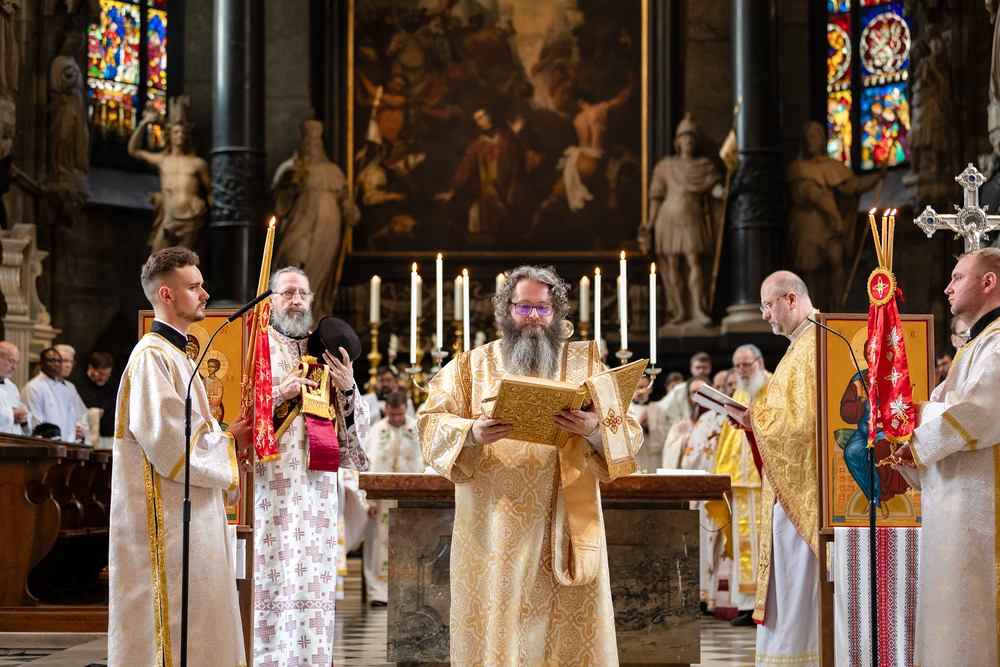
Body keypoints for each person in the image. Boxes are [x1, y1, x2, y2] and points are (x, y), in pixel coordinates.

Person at [419, 264, 641, 666]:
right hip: (495, 525)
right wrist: (471, 433)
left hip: (565, 519)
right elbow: (429, 422)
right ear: (506, 310)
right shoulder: (471, 367)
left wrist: (594, 429)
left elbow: (630, 432)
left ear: (557, 312)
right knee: (505, 622)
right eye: (523, 307)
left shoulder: (586, 366)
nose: (534, 317)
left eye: (543, 308)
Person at [109, 247, 249, 666]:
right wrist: (229, 442)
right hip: (166, 523)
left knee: (203, 620)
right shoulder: (152, 357)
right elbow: (171, 444)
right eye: (194, 287)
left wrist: (227, 441)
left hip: (189, 514)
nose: (205, 294)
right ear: (166, 294)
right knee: (176, 627)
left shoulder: (177, 355)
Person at [254, 267, 371, 667]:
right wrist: (279, 392)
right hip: (269, 485)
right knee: (270, 574)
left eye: (302, 293)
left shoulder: (324, 351)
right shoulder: (257, 349)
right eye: (288, 293)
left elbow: (356, 426)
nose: (296, 300)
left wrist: (348, 388)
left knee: (309, 579)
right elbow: (233, 411)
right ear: (271, 300)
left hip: (316, 489)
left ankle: (310, 660)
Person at [890, 249, 1000, 666]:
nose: (947, 287)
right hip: (955, 508)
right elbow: (948, 410)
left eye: (957, 277)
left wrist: (917, 418)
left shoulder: (998, 343)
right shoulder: (973, 347)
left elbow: (980, 411)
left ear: (988, 282)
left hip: (983, 510)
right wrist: (909, 444)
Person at [725, 271, 819, 665]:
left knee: (798, 585)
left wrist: (756, 419)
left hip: (805, 491)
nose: (764, 315)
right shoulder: (800, 347)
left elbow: (805, 425)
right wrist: (754, 420)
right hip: (787, 488)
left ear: (791, 299)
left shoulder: (815, 345)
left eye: (767, 305)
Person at [710, 344, 771, 626]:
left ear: (760, 362)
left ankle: (767, 605)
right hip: (742, 483)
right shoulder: (741, 393)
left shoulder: (774, 385)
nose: (742, 371)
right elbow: (729, 436)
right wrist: (723, 475)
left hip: (767, 482)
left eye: (746, 365)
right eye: (737, 366)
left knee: (766, 546)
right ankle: (747, 606)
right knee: (743, 545)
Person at [362, 390, 423, 606]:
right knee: (377, 544)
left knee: (410, 543)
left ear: (406, 409)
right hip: (381, 499)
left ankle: (407, 592)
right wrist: (368, 501)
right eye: (392, 414)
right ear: (386, 409)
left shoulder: (417, 428)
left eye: (400, 414)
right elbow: (366, 464)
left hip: (411, 497)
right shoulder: (376, 430)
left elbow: (425, 461)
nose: (396, 418)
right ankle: (378, 592)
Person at [128, 98, 211, 252]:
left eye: (183, 132)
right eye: (176, 132)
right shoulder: (163, 160)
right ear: (170, 135)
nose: (180, 135)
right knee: (157, 259)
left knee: (184, 262)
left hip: (193, 218)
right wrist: (143, 123)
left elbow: (211, 193)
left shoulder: (197, 163)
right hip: (169, 218)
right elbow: (134, 150)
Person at [681, 369, 731, 614]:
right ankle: (703, 598)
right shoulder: (705, 421)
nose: (721, 391)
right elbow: (689, 458)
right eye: (717, 387)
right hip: (706, 492)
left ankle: (724, 600)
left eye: (724, 387)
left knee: (725, 548)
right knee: (704, 546)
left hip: (731, 493)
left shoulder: (735, 420)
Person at [647, 351, 712, 462]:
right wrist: (646, 411)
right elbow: (661, 407)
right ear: (691, 369)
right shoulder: (681, 390)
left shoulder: (715, 389)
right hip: (686, 434)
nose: (701, 371)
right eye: (698, 367)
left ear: (710, 368)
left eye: (704, 367)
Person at [22, 347, 88, 443]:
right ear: (41, 364)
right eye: (52, 361)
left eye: (59, 361)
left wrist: (69, 442)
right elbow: (35, 422)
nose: (57, 364)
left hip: (65, 444)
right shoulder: (34, 387)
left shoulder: (64, 389)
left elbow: (70, 420)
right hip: (44, 443)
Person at [661, 375, 710, 469]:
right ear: (688, 397)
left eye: (701, 392)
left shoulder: (719, 422)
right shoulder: (680, 426)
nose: (697, 396)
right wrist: (683, 442)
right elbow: (668, 452)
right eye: (693, 392)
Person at [77, 351, 116, 449]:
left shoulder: (114, 385)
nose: (103, 378)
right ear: (90, 367)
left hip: (109, 436)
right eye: (100, 374)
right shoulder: (77, 383)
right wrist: (92, 413)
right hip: (86, 436)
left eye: (107, 375)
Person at [0, 341, 32, 435]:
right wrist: (12, 415)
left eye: (16, 363)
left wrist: (23, 417)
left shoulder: (11, 386)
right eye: (11, 361)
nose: (14, 367)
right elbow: (12, 414)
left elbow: (22, 411)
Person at [631, 373, 656, 473]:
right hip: (634, 457)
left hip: (653, 458)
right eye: (637, 387)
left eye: (643, 387)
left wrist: (648, 427)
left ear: (650, 389)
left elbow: (665, 436)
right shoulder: (625, 409)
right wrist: (638, 426)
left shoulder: (659, 410)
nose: (640, 391)